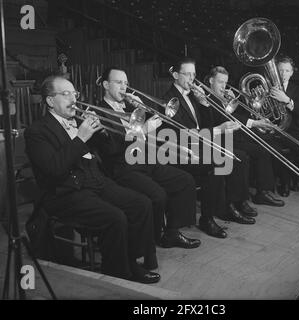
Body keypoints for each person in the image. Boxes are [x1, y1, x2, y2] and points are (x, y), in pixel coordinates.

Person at [24, 75, 160, 283]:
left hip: (96, 181)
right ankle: (118, 274)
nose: (73, 99)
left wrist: (102, 132)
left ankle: (131, 260)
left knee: (141, 204)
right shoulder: (37, 131)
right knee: (115, 217)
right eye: (66, 94)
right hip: (65, 191)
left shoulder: (79, 121)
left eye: (74, 93)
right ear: (50, 101)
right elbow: (54, 169)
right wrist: (80, 137)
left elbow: (113, 150)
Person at [93, 66, 201, 250]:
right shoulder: (97, 111)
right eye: (118, 83)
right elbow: (110, 149)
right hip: (122, 167)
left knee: (184, 180)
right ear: (105, 85)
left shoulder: (130, 107)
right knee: (158, 195)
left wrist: (143, 106)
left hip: (146, 160)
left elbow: (159, 123)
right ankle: (151, 237)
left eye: (126, 83)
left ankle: (171, 232)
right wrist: (140, 132)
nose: (124, 88)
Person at [162, 57, 256, 240]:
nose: (191, 78)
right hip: (180, 151)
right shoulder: (170, 100)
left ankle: (227, 206)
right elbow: (182, 134)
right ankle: (207, 218)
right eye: (187, 74)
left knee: (235, 158)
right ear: (175, 75)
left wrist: (204, 104)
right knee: (217, 162)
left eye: (194, 74)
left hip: (198, 146)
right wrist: (217, 130)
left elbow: (204, 125)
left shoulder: (192, 96)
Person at [207, 66, 284, 207]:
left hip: (233, 135)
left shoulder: (220, 97)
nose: (224, 86)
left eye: (225, 82)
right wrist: (253, 122)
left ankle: (263, 192)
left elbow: (232, 115)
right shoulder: (207, 98)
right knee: (244, 155)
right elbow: (222, 118)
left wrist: (254, 121)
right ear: (211, 81)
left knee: (263, 148)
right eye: (220, 82)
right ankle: (239, 200)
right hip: (219, 139)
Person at [269, 56, 299, 196]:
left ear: (292, 72)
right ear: (276, 71)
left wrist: (287, 100)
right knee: (280, 153)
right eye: (281, 70)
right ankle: (284, 183)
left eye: (287, 70)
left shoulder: (297, 89)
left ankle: (292, 176)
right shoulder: (268, 87)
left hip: (292, 130)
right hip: (273, 130)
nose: (283, 74)